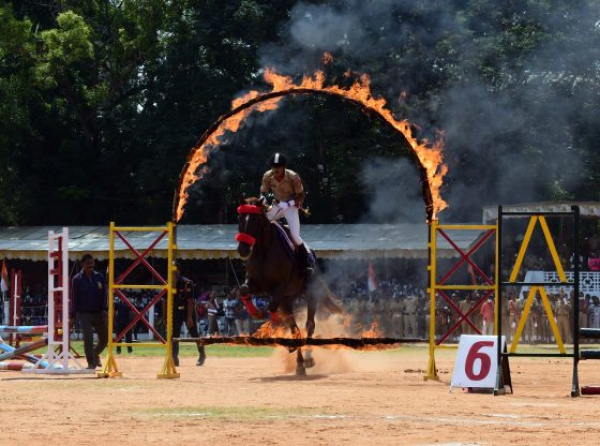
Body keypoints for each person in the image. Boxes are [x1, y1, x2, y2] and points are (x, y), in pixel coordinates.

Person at [260, 152, 313, 277]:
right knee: (261, 226)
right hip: (277, 205)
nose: (275, 169)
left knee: (295, 235)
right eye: (273, 167)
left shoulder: (293, 177)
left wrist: (288, 204)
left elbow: (301, 195)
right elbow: (263, 191)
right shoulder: (267, 176)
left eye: (277, 167)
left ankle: (307, 261)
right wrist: (263, 199)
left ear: (284, 167)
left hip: (291, 207)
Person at [71, 253, 108, 369]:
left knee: (105, 338)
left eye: (92, 263)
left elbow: (104, 294)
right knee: (88, 339)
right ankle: (91, 363)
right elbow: (74, 298)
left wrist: (104, 309)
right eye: (87, 263)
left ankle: (95, 354)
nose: (90, 265)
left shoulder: (100, 276)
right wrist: (72, 315)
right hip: (84, 313)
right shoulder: (76, 279)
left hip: (98, 312)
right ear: (82, 264)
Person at [171, 268, 206, 367]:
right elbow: (165, 300)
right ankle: (174, 357)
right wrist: (165, 317)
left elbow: (190, 301)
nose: (174, 273)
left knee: (194, 333)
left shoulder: (187, 283)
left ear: (179, 272)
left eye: (175, 271)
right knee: (174, 335)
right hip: (175, 311)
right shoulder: (169, 283)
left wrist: (189, 317)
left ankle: (202, 354)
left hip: (187, 310)